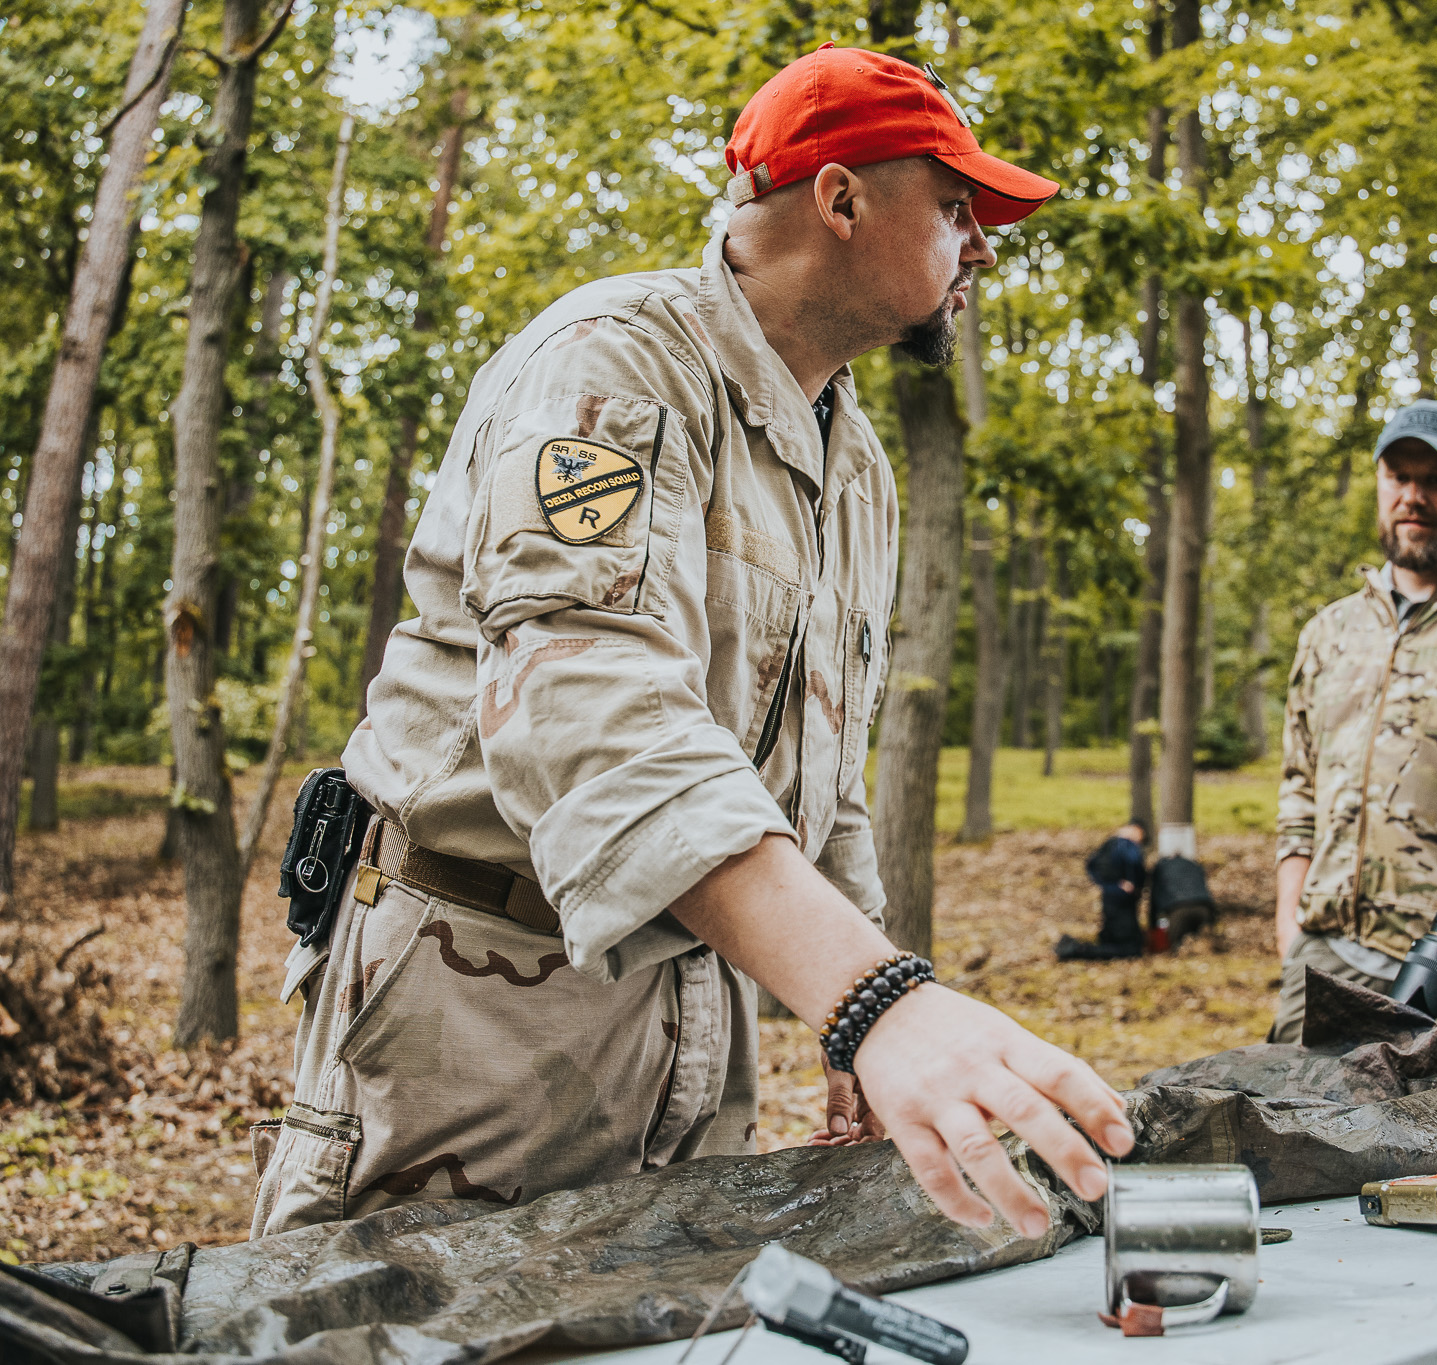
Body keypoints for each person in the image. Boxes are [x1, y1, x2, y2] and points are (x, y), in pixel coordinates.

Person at [248, 45, 1132, 1242]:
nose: (980, 246)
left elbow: (827, 776)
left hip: (691, 998)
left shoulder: (851, 465)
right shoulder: (613, 367)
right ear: (839, 199)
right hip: (479, 1002)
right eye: (958, 208)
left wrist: (841, 1010)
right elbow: (584, 702)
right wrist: (874, 1000)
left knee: (658, 1325)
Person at [1270, 400, 1437, 1046]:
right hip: (1325, 959)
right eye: (1398, 477)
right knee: (1300, 1135)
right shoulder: (1330, 631)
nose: (1413, 496)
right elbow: (1298, 790)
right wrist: (1290, 928)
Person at [1056, 821, 1148, 960]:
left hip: (1108, 897)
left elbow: (1091, 865)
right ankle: (1076, 950)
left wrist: (1107, 885)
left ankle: (1075, 948)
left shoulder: (1109, 844)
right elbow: (1134, 863)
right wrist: (1133, 884)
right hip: (1122, 900)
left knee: (1112, 939)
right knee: (1130, 949)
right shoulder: (1126, 845)